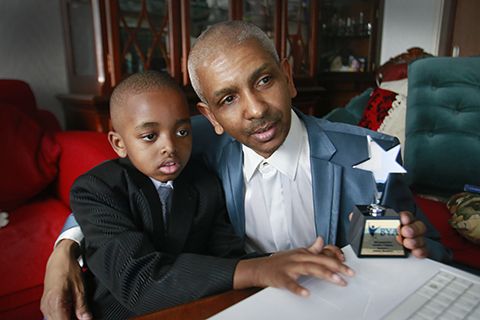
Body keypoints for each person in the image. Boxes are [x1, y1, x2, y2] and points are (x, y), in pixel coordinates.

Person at [41, 21, 450, 320]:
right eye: (228, 98)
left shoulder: (371, 153)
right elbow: (121, 181)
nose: (254, 109)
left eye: (265, 80)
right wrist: (65, 248)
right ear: (210, 116)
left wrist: (418, 247)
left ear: (288, 77)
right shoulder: (192, 143)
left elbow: (431, 249)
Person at [52, 70, 353, 319]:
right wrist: (261, 268)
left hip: (192, 309)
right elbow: (139, 282)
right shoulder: (96, 189)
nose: (169, 146)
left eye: (182, 132)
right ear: (119, 143)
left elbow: (229, 258)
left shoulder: (203, 183)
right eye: (149, 136)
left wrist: (294, 261)